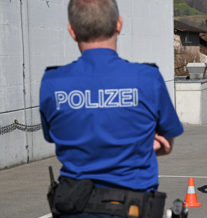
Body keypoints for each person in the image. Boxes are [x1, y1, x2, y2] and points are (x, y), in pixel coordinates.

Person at [39, 0, 183, 217]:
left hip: (75, 207)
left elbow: (54, 136)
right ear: (118, 25)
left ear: (72, 31)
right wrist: (146, 144)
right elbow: (167, 139)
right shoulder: (147, 78)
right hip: (134, 206)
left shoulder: (53, 83)